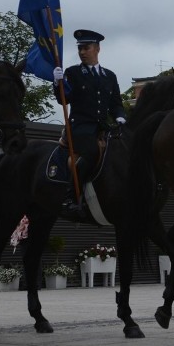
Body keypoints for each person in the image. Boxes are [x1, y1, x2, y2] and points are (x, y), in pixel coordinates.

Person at [52, 29, 126, 220]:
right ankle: (70, 197)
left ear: (97, 49)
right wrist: (56, 83)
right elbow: (64, 100)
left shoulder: (110, 76)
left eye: (86, 48)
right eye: (80, 48)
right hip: (80, 128)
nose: (82, 52)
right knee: (92, 151)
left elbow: (116, 103)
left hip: (103, 128)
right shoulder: (73, 73)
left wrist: (120, 117)